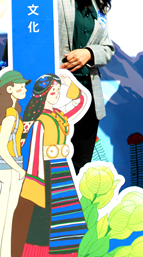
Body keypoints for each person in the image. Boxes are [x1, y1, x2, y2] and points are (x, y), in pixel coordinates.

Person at [11, 72, 90, 257]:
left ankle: (69, 251)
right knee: (45, 214)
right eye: (52, 90)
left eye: (58, 89)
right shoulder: (40, 122)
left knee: (66, 211)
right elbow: (35, 155)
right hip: (45, 172)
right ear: (43, 93)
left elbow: (80, 102)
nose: (56, 93)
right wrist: (36, 180)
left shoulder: (59, 115)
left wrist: (70, 84)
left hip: (61, 168)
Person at [56, 0, 115, 175]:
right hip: (56, 92)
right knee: (54, 163)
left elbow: (108, 47)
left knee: (81, 164)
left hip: (88, 94)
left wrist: (89, 53)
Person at [0, 70, 30, 257]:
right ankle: (1, 252)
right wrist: (18, 169)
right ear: (9, 89)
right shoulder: (11, 114)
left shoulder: (10, 112)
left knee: (5, 210)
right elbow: (1, 147)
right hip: (9, 167)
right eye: (20, 86)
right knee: (6, 211)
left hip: (8, 166)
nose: (24, 90)